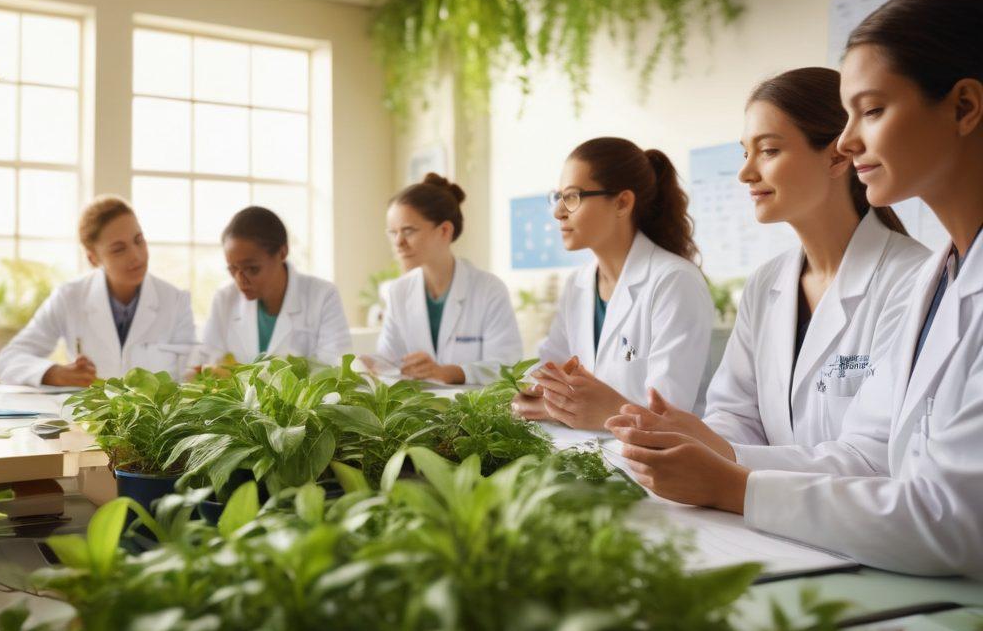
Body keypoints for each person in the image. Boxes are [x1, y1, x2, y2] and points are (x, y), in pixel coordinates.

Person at [609, 0, 983, 578]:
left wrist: (733, 479)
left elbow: (932, 503)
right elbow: (893, 464)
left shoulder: (908, 276)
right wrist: (714, 455)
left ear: (964, 107)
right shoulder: (938, 281)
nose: (850, 136)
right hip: (863, 555)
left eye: (873, 110)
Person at [622, 68, 928, 466]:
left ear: (837, 156)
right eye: (745, 153)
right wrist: (703, 443)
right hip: (749, 514)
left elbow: (874, 456)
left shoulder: (912, 280)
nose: (746, 173)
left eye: (768, 150)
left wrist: (726, 458)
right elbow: (734, 412)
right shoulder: (767, 283)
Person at [513, 138, 714, 428]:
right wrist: (531, 392)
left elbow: (666, 411)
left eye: (571, 197)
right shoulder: (578, 284)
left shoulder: (674, 281)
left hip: (657, 461)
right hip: (584, 450)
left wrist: (576, 407)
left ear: (622, 203)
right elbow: (549, 364)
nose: (558, 212)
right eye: (557, 198)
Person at [0, 195, 196, 386]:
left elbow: (190, 374)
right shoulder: (69, 297)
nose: (136, 256)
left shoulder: (176, 301)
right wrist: (55, 374)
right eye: (119, 249)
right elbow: (9, 359)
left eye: (138, 240)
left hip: (155, 419)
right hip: (86, 419)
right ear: (93, 259)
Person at [376, 173, 522, 384]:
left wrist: (448, 373)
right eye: (392, 232)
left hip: (473, 413)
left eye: (408, 231)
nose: (398, 242)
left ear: (444, 230)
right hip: (416, 411)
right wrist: (370, 365)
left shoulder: (489, 289)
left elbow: (508, 366)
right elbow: (387, 362)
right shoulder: (398, 291)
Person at [201, 206, 351, 365]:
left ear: (282, 253)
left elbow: (335, 369)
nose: (240, 280)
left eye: (252, 269)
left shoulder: (323, 296)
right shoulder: (224, 299)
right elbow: (208, 365)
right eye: (233, 269)